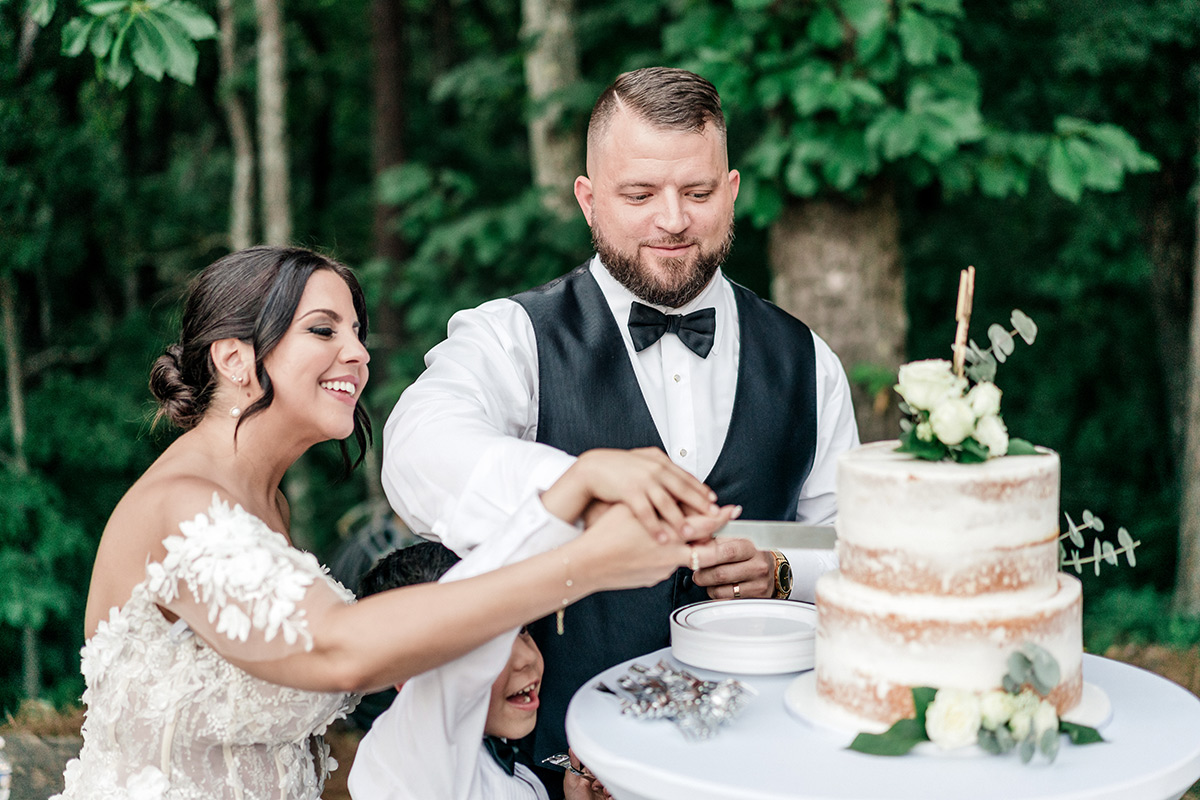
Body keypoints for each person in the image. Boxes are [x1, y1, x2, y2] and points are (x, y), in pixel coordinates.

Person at [53, 245, 733, 800]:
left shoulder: (268, 507)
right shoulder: (185, 507)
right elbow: (339, 645)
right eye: (324, 330)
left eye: (358, 333)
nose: (358, 354)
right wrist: (582, 566)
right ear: (234, 359)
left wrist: (570, 491)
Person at [381, 67, 860, 789]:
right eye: (639, 194)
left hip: (757, 767)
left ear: (731, 194)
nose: (672, 220)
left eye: (696, 193)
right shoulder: (513, 338)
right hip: (564, 770)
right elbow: (417, 451)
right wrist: (576, 489)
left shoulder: (807, 360)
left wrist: (784, 573)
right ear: (588, 200)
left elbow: (859, 557)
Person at [348, 542, 606, 800]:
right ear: (410, 673)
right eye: (488, 648)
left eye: (522, 629)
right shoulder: (415, 761)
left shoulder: (497, 757)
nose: (527, 657)